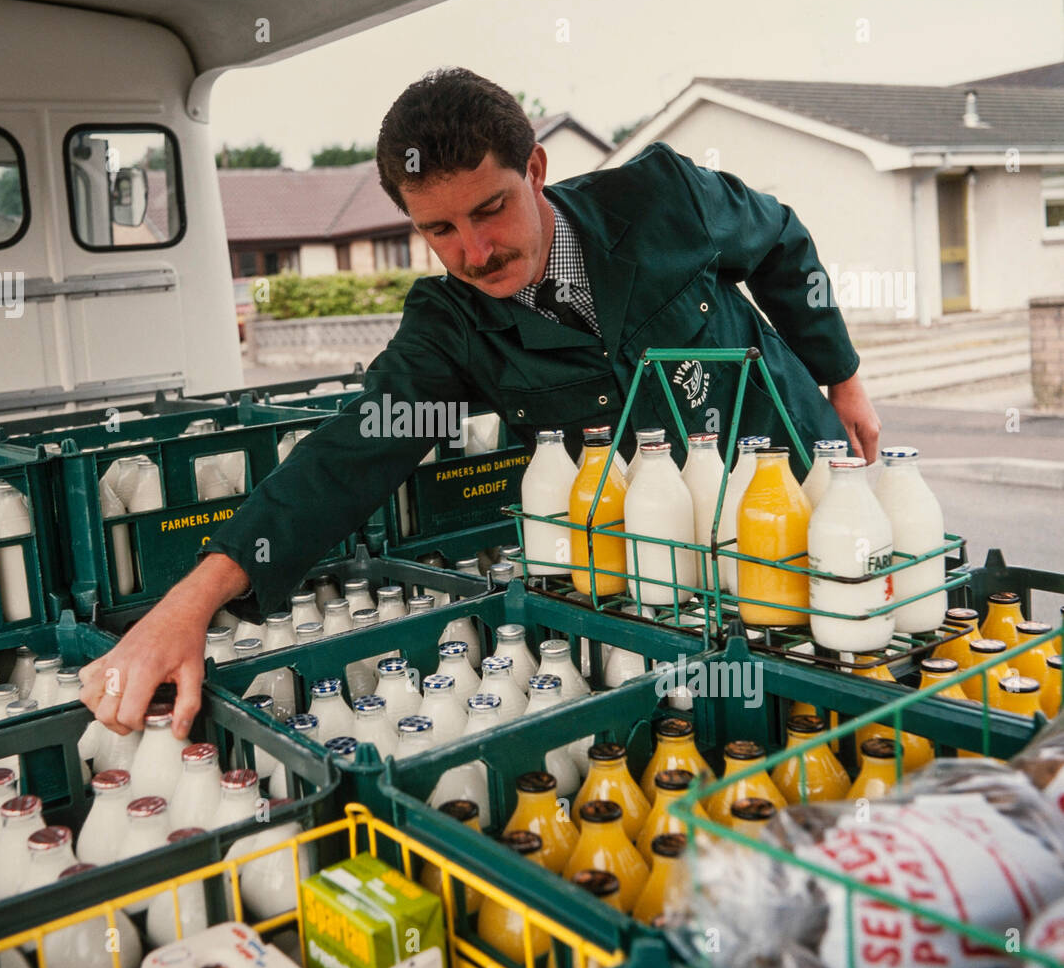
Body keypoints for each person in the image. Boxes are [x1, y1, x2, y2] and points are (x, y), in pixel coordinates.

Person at [80, 67, 880, 737]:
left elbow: (781, 241)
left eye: (490, 209)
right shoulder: (451, 330)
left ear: (534, 170)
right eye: (440, 230)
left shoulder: (663, 198)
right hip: (666, 571)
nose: (475, 251)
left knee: (874, 697)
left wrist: (840, 374)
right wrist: (190, 601)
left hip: (809, 505)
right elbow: (345, 459)